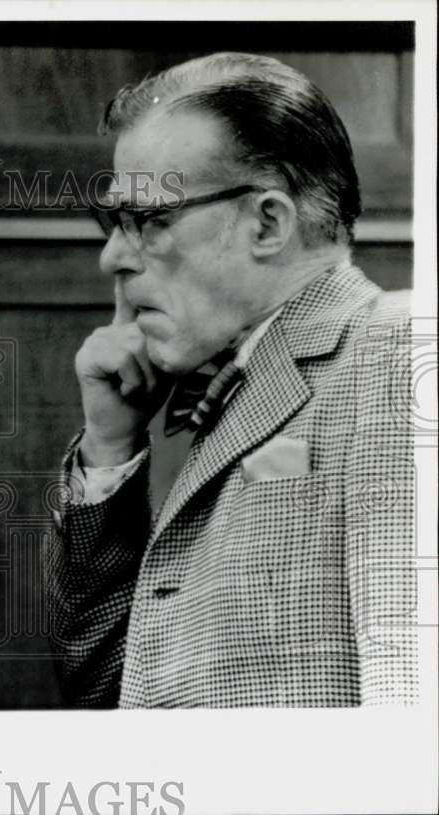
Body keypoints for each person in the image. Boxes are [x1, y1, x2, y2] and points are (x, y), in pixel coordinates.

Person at [48, 53, 417, 707]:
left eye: (150, 219)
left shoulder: (395, 346)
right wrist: (109, 450)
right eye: (115, 221)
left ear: (268, 223)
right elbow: (107, 692)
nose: (112, 256)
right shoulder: (208, 390)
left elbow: (411, 699)